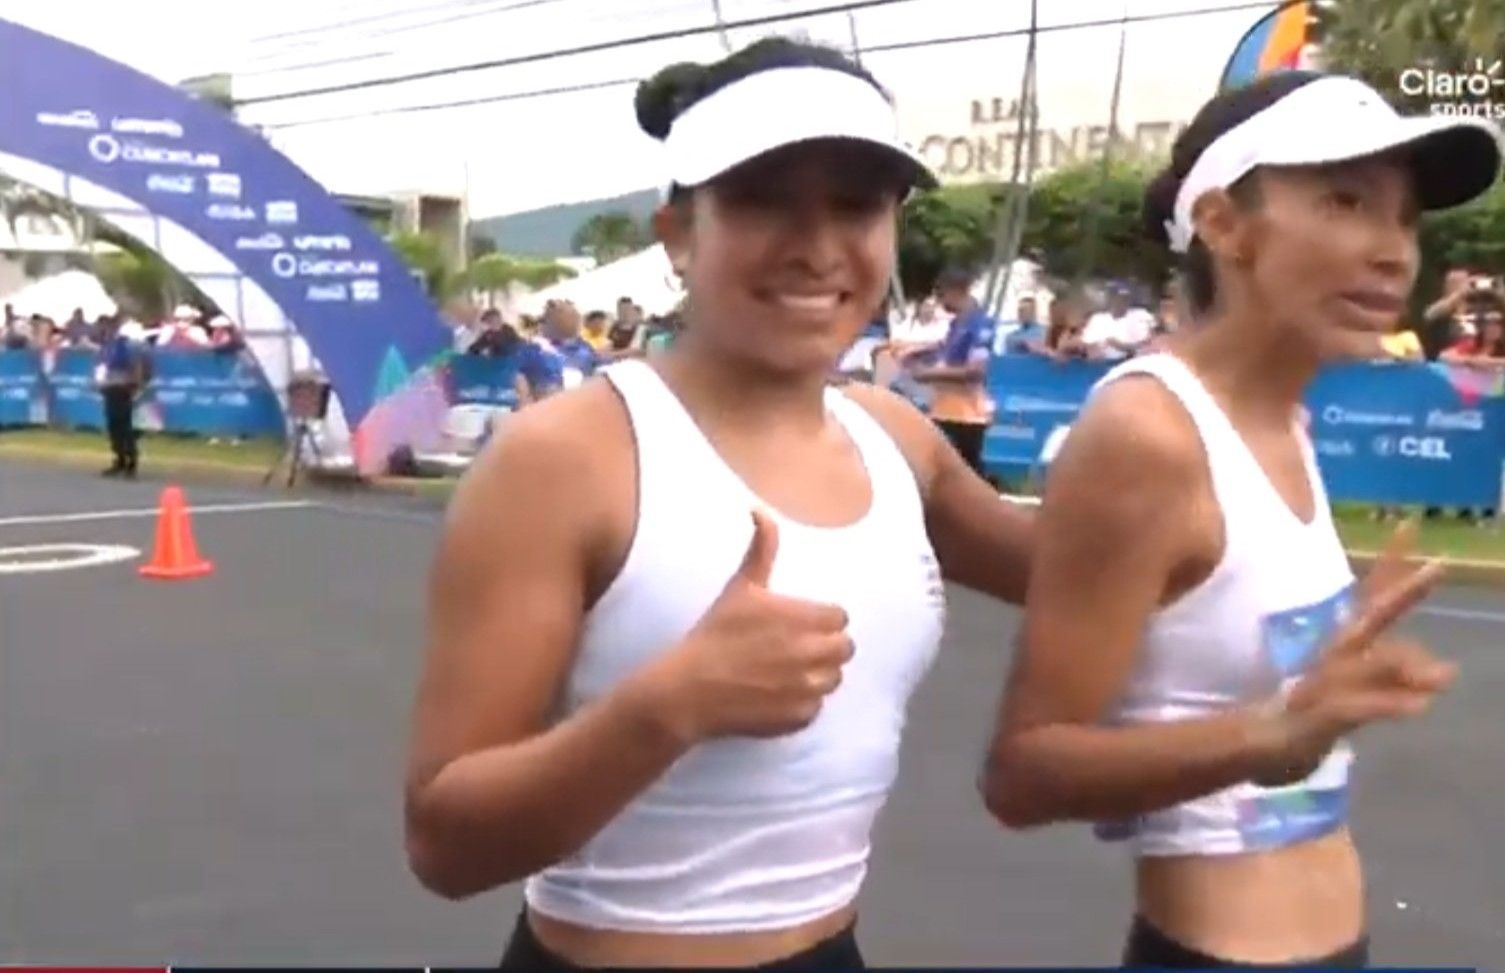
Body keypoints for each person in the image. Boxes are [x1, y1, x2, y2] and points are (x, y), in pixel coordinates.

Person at [407, 37, 1035, 971]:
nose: (818, 246)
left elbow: (1087, 569)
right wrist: (665, 706)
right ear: (676, 233)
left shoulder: (893, 437)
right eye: (763, 199)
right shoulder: (567, 459)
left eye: (856, 204)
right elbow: (445, 845)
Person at [980, 71, 1500, 968]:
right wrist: (1274, 733)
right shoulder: (1148, 434)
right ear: (1222, 223)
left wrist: (1310, 705)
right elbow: (1023, 772)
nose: (1392, 252)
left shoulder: (1283, 418)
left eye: (1404, 216)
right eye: (1345, 200)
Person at [906, 267, 996, 475]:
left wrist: (927, 375)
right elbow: (947, 356)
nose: (940, 302)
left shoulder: (980, 325)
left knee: (967, 474)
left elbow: (975, 372)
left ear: (955, 291)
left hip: (967, 414)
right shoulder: (956, 323)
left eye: (941, 295)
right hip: (944, 409)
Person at [95, 314, 151, 478]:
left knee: (123, 425)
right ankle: (119, 458)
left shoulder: (125, 345)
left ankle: (131, 461)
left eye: (104, 327)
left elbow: (137, 366)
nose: (101, 331)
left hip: (123, 387)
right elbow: (102, 367)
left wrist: (136, 386)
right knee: (113, 426)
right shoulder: (107, 346)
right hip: (110, 387)